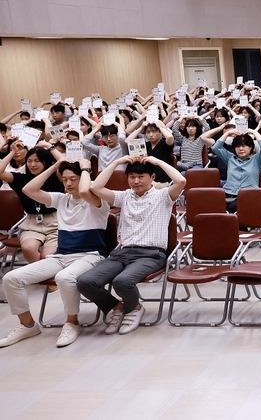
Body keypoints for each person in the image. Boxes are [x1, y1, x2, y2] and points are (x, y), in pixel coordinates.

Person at [0, 158, 110, 348]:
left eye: (73, 179)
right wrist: (53, 166)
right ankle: (27, 325)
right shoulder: (61, 199)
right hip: (61, 256)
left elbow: (85, 190)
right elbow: (28, 190)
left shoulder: (97, 199)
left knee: (64, 278)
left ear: (84, 178)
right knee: (11, 278)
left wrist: (85, 168)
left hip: (91, 255)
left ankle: (72, 322)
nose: (68, 184)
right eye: (65, 179)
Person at [78, 155, 185, 335]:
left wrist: (157, 161)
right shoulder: (124, 197)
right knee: (85, 282)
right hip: (122, 252)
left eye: (140, 177)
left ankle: (134, 308)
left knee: (123, 281)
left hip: (151, 254)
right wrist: (116, 163)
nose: (135, 181)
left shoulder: (163, 196)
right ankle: (117, 307)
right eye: (131, 177)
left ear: (152, 177)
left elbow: (181, 180)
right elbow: (95, 187)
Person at [0, 143, 64, 263]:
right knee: (28, 248)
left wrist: (50, 146)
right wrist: (13, 152)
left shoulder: (56, 176)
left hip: (56, 222)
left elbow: (65, 162)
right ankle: (40, 277)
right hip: (32, 222)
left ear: (46, 162)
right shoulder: (21, 179)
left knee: (47, 255)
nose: (33, 165)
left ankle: (45, 278)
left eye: (37, 161)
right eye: (29, 161)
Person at [203, 123, 261, 212]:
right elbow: (216, 148)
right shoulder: (230, 158)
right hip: (228, 193)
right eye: (238, 146)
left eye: (244, 146)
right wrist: (227, 134)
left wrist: (254, 132)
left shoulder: (257, 159)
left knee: (232, 208)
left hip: (248, 195)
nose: (241, 149)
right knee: (211, 206)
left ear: (250, 147)